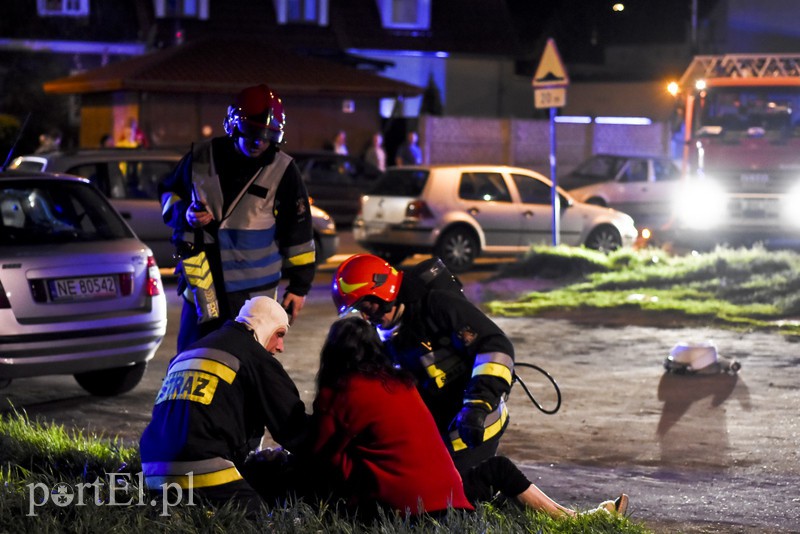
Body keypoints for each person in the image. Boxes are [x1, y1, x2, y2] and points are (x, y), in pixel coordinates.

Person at [311, 316, 628, 519]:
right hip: (451, 499)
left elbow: (322, 455)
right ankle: (575, 519)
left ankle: (575, 519)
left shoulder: (339, 393)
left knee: (495, 472)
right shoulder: (402, 382)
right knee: (498, 469)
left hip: (405, 510)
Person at [159, 83, 317, 352]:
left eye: (268, 137)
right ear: (232, 127)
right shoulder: (200, 159)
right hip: (202, 286)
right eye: (253, 134)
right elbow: (168, 194)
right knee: (193, 359)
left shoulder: (284, 170)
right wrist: (184, 213)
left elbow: (299, 234)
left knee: (247, 367)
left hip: (253, 298)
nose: (259, 142)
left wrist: (299, 287)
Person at [331, 254, 514, 475]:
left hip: (475, 424)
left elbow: (494, 347)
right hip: (438, 431)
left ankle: (504, 487)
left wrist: (477, 404)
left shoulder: (437, 306)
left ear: (381, 292)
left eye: (366, 306)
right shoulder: (384, 335)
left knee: (459, 495)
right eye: (358, 309)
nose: (365, 316)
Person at [139, 296, 310, 515]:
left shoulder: (189, 352)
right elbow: (293, 428)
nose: (280, 347)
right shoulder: (254, 357)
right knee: (266, 517)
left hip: (154, 473)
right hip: (202, 468)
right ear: (263, 325)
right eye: (279, 335)